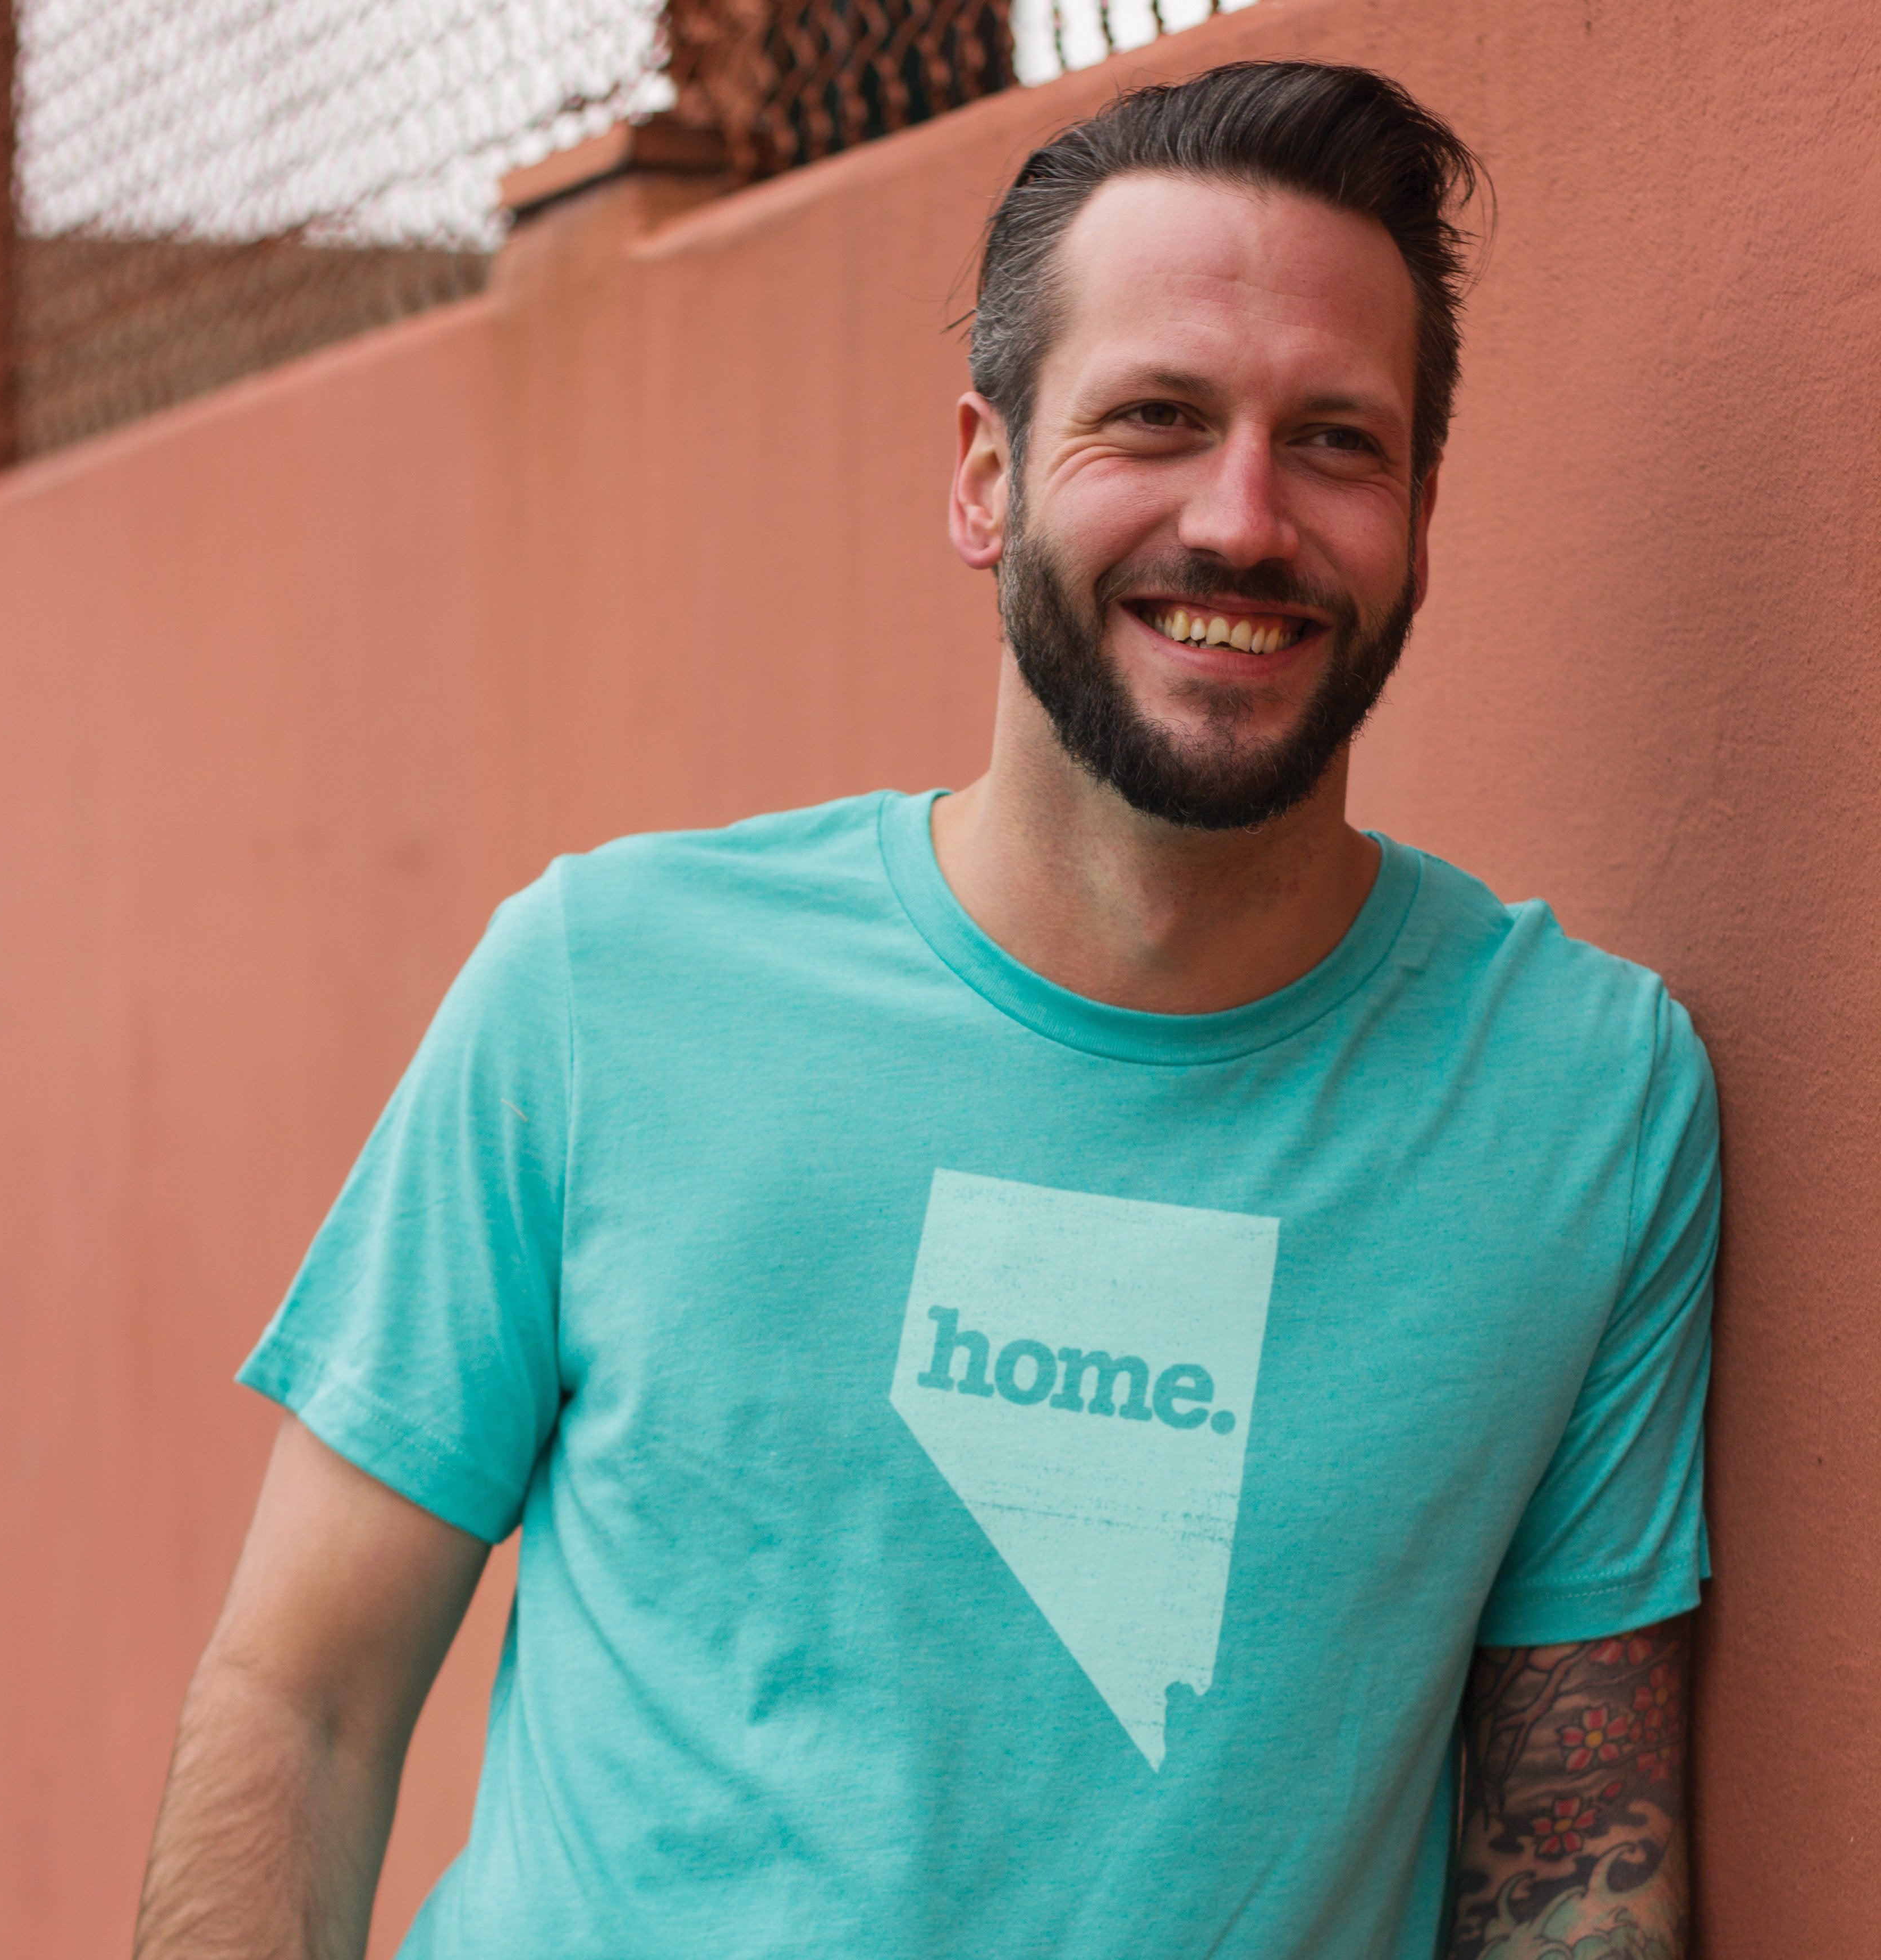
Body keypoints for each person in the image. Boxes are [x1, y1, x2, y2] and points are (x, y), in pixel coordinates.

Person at [133, 61, 1714, 1960]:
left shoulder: (1584, 1100)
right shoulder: (605, 987)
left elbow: (1573, 1856)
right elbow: (300, 1706)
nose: (1243, 518)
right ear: (985, 474)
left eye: (1335, 443)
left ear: (1423, 514)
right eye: (1157, 416)